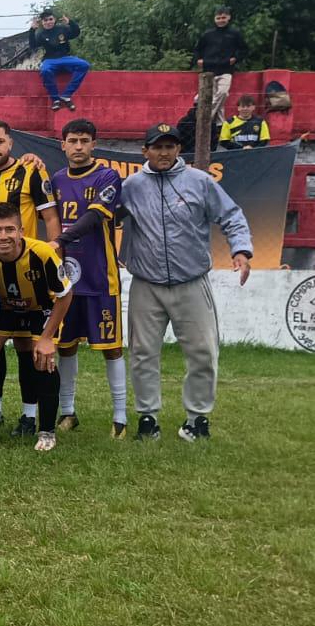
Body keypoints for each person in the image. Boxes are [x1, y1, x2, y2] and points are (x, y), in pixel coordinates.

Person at [120, 123, 253, 442]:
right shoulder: (131, 186)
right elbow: (102, 215)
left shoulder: (200, 182)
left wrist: (241, 250)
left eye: (170, 146)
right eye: (157, 147)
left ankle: (197, 418)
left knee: (204, 351)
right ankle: (148, 418)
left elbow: (231, 216)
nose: (164, 152)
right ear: (145, 151)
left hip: (192, 281)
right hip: (146, 283)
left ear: (179, 149)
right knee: (142, 353)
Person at [0, 119, 61, 439]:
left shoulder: (31, 171)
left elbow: (50, 217)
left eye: (0, 142)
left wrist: (54, 253)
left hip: (28, 273)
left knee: (27, 348)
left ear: (10, 143)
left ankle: (30, 416)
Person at [49, 118, 128, 437]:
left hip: (100, 277)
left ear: (94, 144)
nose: (78, 146)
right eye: (73, 141)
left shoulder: (108, 176)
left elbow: (95, 216)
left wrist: (60, 240)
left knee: (111, 347)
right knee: (65, 346)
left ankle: (120, 418)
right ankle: (68, 412)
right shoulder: (56, 179)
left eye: (84, 140)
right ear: (63, 145)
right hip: (67, 279)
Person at [0, 203, 73, 451]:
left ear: (21, 231)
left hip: (40, 309)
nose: (3, 236)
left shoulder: (42, 253)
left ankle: (46, 431)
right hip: (5, 310)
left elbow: (65, 295)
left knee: (42, 359)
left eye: (10, 229)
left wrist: (47, 338)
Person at [193, 6, 246, 119]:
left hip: (226, 69)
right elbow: (197, 49)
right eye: (218, 18)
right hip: (208, 70)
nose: (221, 20)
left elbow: (244, 49)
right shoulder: (208, 34)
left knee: (222, 93)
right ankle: (219, 124)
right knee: (210, 97)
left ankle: (204, 117)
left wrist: (235, 58)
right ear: (214, 19)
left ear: (228, 18)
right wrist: (198, 60)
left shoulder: (235, 33)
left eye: (223, 18)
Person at [29, 9, 87, 111]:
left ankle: (66, 95)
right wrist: (32, 30)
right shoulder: (41, 34)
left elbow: (76, 33)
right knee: (45, 70)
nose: (48, 22)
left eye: (50, 19)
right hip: (50, 59)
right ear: (42, 22)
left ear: (54, 19)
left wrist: (70, 22)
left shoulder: (62, 29)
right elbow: (33, 46)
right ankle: (55, 100)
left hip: (65, 57)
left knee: (84, 65)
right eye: (45, 20)